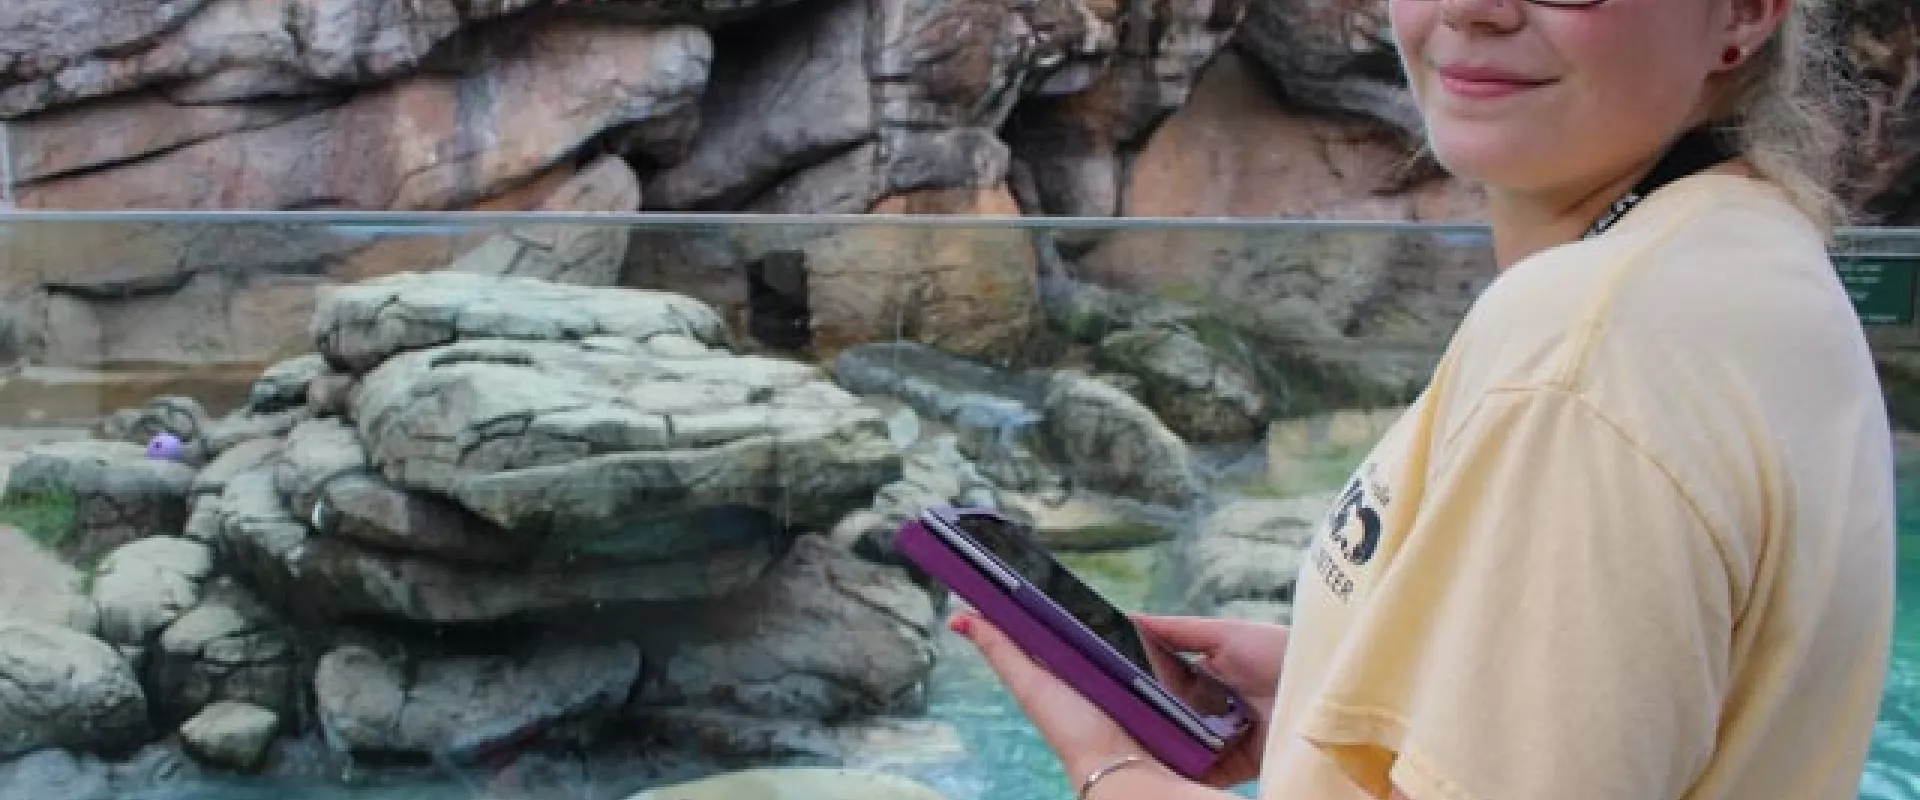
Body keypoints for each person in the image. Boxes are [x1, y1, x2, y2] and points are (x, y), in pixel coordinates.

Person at [948, 0, 1899, 797]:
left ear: (1744, 13)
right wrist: (1332, 692)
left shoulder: (1585, 349)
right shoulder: (1750, 256)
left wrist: (1114, 771)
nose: (1474, 9)